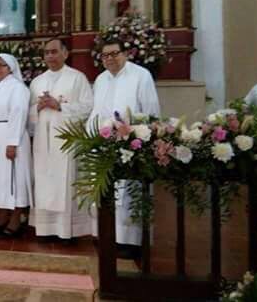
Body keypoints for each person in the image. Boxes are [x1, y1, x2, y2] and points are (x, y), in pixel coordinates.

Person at [87, 39, 160, 248]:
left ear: (125, 53)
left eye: (114, 53)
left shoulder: (140, 75)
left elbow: (151, 110)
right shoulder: (101, 79)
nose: (110, 58)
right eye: (105, 55)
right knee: (103, 189)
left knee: (129, 193)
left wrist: (145, 136)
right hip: (104, 142)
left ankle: (131, 242)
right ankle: (104, 235)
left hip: (132, 143)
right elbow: (97, 110)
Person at [29, 39, 94, 240]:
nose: (50, 56)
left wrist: (60, 106)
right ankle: (45, 228)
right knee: (43, 180)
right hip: (42, 141)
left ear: (65, 54)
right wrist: (38, 107)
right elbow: (28, 113)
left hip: (66, 142)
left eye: (54, 52)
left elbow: (88, 108)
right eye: (47, 52)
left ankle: (66, 230)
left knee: (65, 182)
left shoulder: (77, 78)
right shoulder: (37, 82)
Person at [0, 54, 32, 237]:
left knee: (14, 179)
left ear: (11, 68)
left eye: (2, 65)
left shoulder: (17, 87)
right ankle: (2, 216)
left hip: (9, 138)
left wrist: (12, 142)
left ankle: (16, 218)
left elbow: (18, 113)